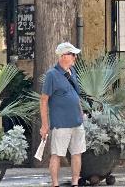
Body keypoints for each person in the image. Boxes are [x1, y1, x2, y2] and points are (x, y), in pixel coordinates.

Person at [40, 41, 85, 187]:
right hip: (61, 124)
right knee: (56, 155)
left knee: (77, 153)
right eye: (72, 55)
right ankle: (55, 184)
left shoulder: (73, 72)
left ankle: (75, 182)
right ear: (63, 56)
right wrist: (45, 125)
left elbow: (76, 95)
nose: (74, 58)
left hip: (77, 122)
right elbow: (44, 100)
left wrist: (81, 114)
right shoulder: (52, 75)